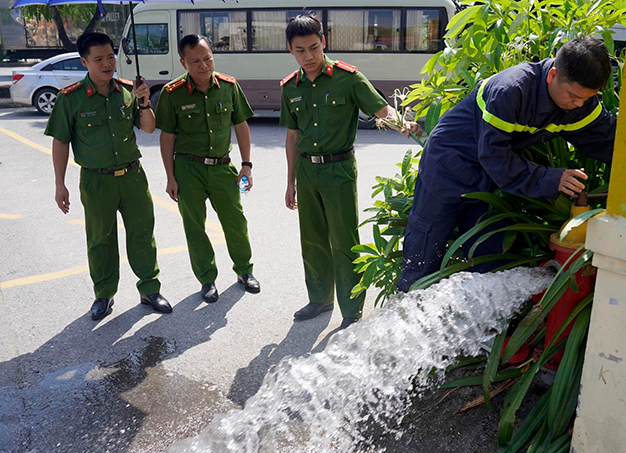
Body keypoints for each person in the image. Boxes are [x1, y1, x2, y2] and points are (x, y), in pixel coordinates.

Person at [396, 37, 617, 292]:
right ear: (552, 75)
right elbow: (495, 157)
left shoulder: (580, 104)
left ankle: (481, 325)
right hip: (447, 165)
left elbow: (608, 140)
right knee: (424, 251)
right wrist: (551, 179)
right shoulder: (511, 90)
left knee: (490, 253)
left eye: (586, 98)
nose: (578, 105)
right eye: (573, 96)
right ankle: (406, 311)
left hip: (486, 176)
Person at [280, 14, 422, 329]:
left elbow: (381, 109)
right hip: (306, 170)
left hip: (338, 169)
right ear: (290, 49)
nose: (309, 56)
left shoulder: (348, 78)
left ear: (324, 42)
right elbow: (292, 136)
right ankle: (319, 299)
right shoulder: (291, 87)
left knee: (344, 239)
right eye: (301, 50)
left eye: (314, 48)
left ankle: (351, 309)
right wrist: (289, 181)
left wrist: (404, 124)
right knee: (312, 238)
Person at [45, 32, 172, 321]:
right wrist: (59, 183)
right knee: (100, 239)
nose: (107, 64)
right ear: (84, 62)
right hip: (96, 180)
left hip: (132, 177)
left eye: (111, 57)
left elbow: (150, 129)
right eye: (99, 59)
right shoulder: (71, 99)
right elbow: (60, 142)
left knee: (142, 234)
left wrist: (144, 102)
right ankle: (104, 294)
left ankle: (150, 290)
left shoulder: (129, 90)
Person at [155, 34, 259, 303]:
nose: (203, 65)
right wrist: (170, 177)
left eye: (207, 58)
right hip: (188, 169)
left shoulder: (229, 86)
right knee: (194, 226)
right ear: (183, 63)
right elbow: (167, 137)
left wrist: (246, 165)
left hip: (223, 167)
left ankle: (245, 271)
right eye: (195, 61)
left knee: (235, 221)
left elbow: (241, 126)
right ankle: (207, 279)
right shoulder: (172, 93)